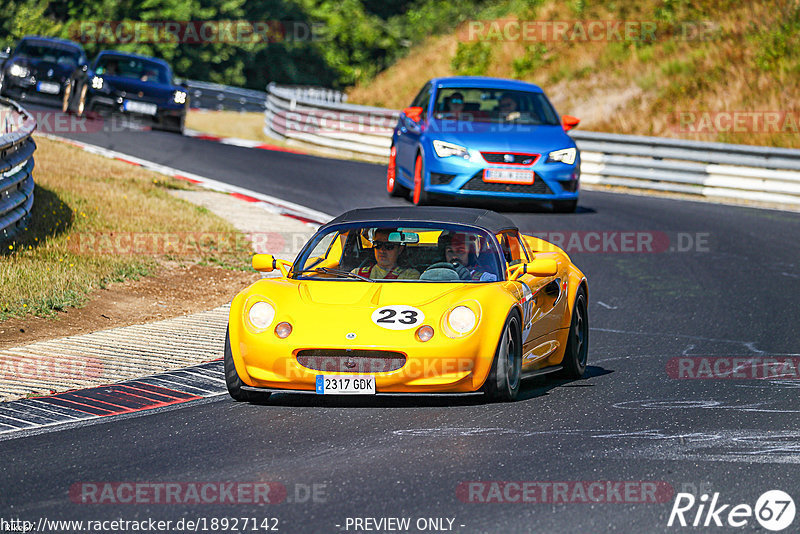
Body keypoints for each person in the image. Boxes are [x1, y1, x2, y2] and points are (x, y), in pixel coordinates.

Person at [352, 229, 419, 280]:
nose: (382, 250)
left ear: (400, 249)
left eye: (389, 246)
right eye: (378, 245)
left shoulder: (409, 276)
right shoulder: (356, 274)